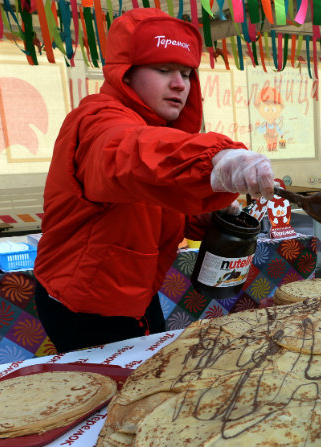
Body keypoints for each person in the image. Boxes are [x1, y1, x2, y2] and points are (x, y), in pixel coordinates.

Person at [33, 8, 275, 353]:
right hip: (86, 302)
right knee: (116, 396)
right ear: (126, 76)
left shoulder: (155, 131)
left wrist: (203, 216)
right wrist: (213, 159)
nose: (180, 84)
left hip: (135, 291)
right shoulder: (97, 121)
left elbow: (145, 200)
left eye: (187, 73)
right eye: (163, 71)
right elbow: (127, 155)